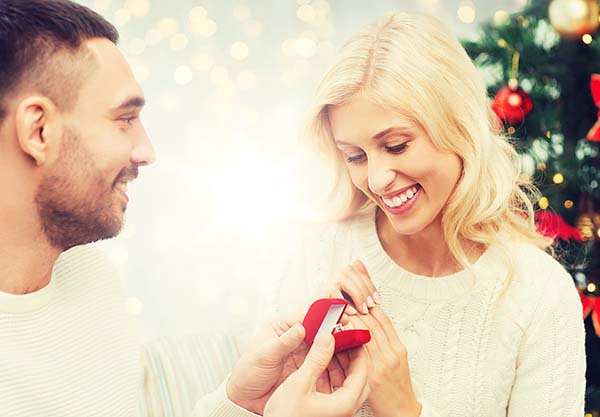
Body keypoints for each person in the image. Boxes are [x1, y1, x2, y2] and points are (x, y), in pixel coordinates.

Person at [0, 1, 368, 416]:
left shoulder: (91, 278)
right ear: (38, 130)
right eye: (124, 119)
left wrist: (241, 403)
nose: (147, 151)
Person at [273, 12, 587, 417]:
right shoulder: (317, 254)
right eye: (355, 155)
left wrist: (405, 409)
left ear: (459, 127)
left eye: (397, 145)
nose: (377, 178)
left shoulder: (538, 295)